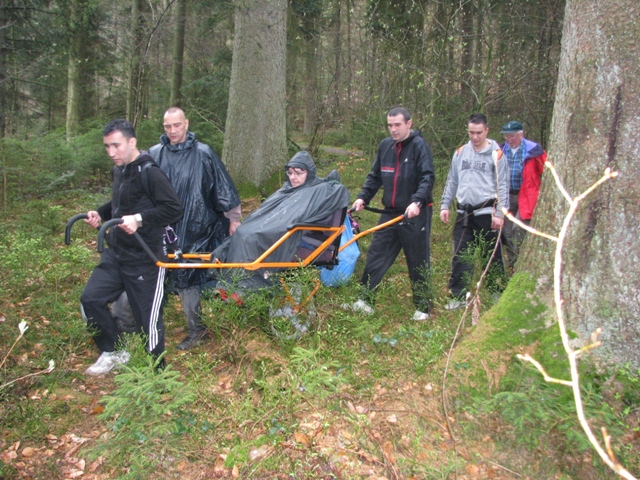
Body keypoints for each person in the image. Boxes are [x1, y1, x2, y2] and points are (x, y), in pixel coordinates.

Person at [81, 119, 183, 375]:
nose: (111, 153)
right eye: (107, 147)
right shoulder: (120, 170)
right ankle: (114, 350)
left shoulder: (149, 172)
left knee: (147, 319)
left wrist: (139, 220)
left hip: (146, 257)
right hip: (117, 253)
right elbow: (120, 203)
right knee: (90, 298)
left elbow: (173, 209)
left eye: (116, 146)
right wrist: (100, 213)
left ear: (132, 142)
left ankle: (157, 374)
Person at [148, 107, 242, 350]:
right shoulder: (154, 155)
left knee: (188, 277)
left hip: (197, 226)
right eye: (167, 126)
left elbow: (223, 187)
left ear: (186, 124)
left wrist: (234, 218)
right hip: (163, 227)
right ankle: (146, 326)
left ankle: (197, 329)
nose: (172, 131)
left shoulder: (203, 154)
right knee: (158, 273)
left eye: (176, 125)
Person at [212, 151, 350, 292]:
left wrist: (334, 183)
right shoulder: (287, 190)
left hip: (295, 234)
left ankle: (246, 285)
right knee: (242, 232)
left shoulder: (318, 190)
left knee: (250, 237)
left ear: (309, 172)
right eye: (290, 173)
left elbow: (299, 215)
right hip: (281, 229)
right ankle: (231, 281)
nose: (293, 177)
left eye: (298, 173)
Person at [348, 106, 435, 321]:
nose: (393, 129)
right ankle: (365, 300)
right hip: (391, 212)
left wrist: (417, 201)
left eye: (398, 125)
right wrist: (363, 197)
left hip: (416, 213)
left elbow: (427, 177)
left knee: (417, 259)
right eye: (390, 125)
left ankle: (423, 307)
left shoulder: (419, 146)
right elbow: (375, 176)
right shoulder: (385, 146)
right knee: (377, 253)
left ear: (409, 124)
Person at [440, 113, 509, 310]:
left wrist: (500, 214)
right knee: (461, 255)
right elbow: (452, 180)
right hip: (464, 213)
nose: (475, 137)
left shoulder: (497, 155)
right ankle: (459, 295)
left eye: (479, 132)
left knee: (492, 254)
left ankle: (496, 292)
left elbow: (503, 186)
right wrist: (445, 205)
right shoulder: (461, 153)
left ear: (486, 130)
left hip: (488, 213)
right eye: (471, 132)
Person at [500, 120, 547, 269]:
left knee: (518, 228)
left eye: (512, 136)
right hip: (505, 196)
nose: (509, 139)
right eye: (506, 136)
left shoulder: (534, 151)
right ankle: (513, 264)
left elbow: (546, 172)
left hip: (526, 196)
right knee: (506, 231)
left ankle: (522, 263)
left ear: (521, 134)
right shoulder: (500, 151)